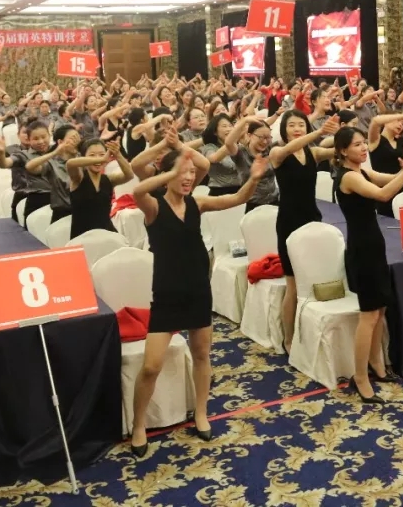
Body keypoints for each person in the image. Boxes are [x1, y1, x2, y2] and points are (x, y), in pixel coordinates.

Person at [129, 143, 267, 454]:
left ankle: (201, 413)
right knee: (151, 366)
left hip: (197, 289)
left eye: (192, 173)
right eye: (183, 173)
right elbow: (138, 190)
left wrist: (254, 178)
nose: (189, 177)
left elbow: (238, 198)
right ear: (167, 175)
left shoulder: (197, 204)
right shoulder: (154, 207)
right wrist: (173, 169)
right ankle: (138, 425)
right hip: (166, 294)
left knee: (202, 354)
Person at [333, 127, 403, 404]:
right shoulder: (348, 177)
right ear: (343, 150)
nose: (363, 148)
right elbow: (384, 194)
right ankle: (360, 377)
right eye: (357, 144)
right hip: (361, 249)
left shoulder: (362, 171)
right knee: (369, 315)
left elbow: (391, 181)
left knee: (380, 310)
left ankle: (377, 364)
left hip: (373, 244)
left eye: (363, 143)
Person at [269, 110, 340, 353]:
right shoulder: (277, 152)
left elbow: (340, 150)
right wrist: (319, 132)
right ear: (284, 130)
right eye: (292, 125)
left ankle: (313, 334)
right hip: (289, 222)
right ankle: (288, 339)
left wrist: (343, 134)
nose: (297, 129)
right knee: (293, 284)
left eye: (301, 125)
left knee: (316, 277)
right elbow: (289, 149)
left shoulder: (314, 152)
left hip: (312, 218)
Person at [65, 139, 133, 239]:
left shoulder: (109, 179)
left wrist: (117, 154)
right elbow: (70, 163)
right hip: (83, 236)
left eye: (102, 154)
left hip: (107, 233)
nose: (98, 159)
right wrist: (101, 159)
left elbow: (129, 175)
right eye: (92, 155)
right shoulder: (78, 178)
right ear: (83, 157)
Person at [25, 124, 80, 223]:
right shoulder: (53, 163)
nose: (76, 142)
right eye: (73, 139)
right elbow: (30, 166)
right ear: (60, 142)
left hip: (83, 211)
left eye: (78, 138)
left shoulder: (83, 159)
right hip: (62, 214)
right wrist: (55, 152)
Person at [232, 121, 280, 212]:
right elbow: (229, 143)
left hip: (274, 201)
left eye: (268, 137)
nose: (265, 141)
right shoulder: (241, 152)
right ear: (249, 135)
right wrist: (245, 121)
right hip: (252, 204)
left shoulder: (270, 149)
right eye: (261, 137)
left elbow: (287, 141)